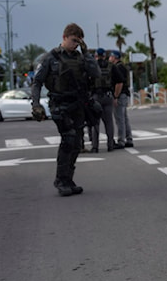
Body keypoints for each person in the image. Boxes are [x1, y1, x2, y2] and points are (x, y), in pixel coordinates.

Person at [31, 23, 100, 197]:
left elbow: (96, 73)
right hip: (60, 104)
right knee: (68, 140)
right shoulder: (50, 58)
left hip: (77, 104)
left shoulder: (81, 57)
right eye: (73, 40)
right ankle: (60, 180)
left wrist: (86, 53)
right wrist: (36, 104)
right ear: (64, 37)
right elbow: (37, 82)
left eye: (79, 42)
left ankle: (68, 179)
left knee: (77, 144)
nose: (76, 44)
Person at [87, 48, 116, 153]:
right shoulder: (110, 66)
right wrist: (115, 95)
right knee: (109, 122)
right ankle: (110, 145)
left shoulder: (92, 66)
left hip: (96, 96)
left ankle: (95, 147)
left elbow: (88, 81)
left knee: (95, 123)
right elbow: (117, 80)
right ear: (104, 56)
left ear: (95, 56)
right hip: (108, 96)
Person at [108, 50, 132, 149]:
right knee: (124, 118)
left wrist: (116, 96)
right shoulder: (123, 66)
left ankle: (121, 140)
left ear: (115, 57)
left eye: (111, 56)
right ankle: (129, 138)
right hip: (124, 94)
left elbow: (119, 83)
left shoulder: (117, 67)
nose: (109, 58)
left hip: (120, 94)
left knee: (119, 119)